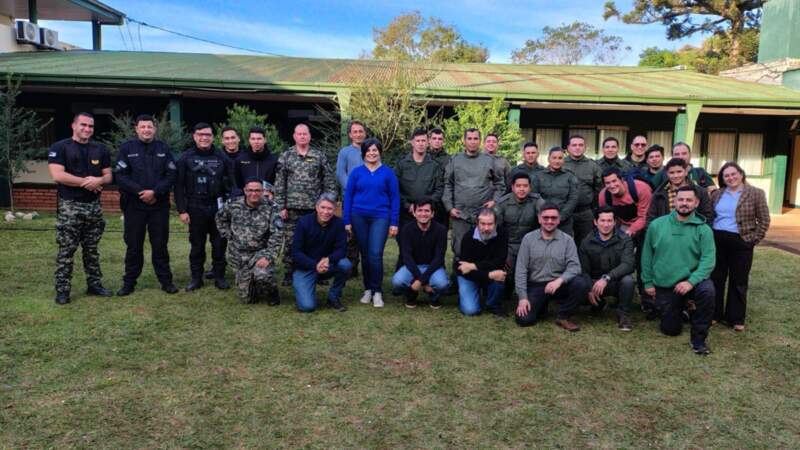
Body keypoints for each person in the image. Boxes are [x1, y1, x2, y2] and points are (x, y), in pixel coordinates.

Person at [641, 186, 716, 355]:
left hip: (691, 281)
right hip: (666, 282)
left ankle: (698, 340)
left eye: (689, 200)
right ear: (674, 201)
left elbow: (708, 261)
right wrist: (647, 282)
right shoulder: (656, 225)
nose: (684, 203)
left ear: (696, 203)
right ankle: (682, 309)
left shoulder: (704, 230)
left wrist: (691, 281)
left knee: (708, 291)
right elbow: (646, 256)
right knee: (670, 330)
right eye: (681, 199)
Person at [47, 112, 113, 304]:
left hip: (94, 207)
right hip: (70, 206)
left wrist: (99, 180)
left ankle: (94, 284)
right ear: (73, 126)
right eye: (83, 125)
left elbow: (108, 176)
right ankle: (62, 290)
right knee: (67, 250)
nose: (87, 129)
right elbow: (58, 175)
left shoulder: (100, 149)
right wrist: (87, 182)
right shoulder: (60, 147)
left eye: (91, 126)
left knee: (91, 249)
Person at [114, 114, 178, 296]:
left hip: (159, 205)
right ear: (136, 129)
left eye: (149, 127)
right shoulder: (127, 149)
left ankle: (166, 281)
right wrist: (140, 192)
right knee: (133, 245)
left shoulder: (163, 148)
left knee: (160, 245)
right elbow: (120, 175)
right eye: (142, 127)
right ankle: (129, 283)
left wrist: (155, 192)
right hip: (134, 205)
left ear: (154, 129)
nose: (146, 130)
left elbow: (171, 174)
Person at [710, 162, 771, 331]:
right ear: (722, 179)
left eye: (733, 174)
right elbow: (711, 216)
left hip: (741, 240)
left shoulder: (756, 193)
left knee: (739, 280)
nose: (730, 178)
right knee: (716, 278)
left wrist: (753, 240)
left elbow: (764, 219)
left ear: (741, 174)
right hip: (718, 239)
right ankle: (714, 314)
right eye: (726, 176)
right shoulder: (717, 194)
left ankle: (735, 318)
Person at [175, 122, 236, 292]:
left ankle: (219, 277)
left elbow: (232, 184)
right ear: (194, 136)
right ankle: (196, 278)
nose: (204, 138)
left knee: (219, 244)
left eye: (208, 135)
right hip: (195, 206)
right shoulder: (185, 158)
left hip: (218, 206)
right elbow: (178, 186)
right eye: (200, 134)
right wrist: (182, 210)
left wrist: (230, 207)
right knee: (197, 245)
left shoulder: (221, 157)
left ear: (212, 137)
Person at [275, 123, 337, 286]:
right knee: (290, 242)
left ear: (309, 136)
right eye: (299, 134)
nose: (302, 136)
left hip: (314, 209)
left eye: (305, 134)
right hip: (292, 209)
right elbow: (280, 183)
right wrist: (281, 206)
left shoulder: (319, 156)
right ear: (294, 136)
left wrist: (328, 203)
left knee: (316, 241)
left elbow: (329, 181)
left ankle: (319, 272)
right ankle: (289, 272)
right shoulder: (286, 156)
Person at [443, 128, 506, 286]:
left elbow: (500, 184)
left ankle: (484, 282)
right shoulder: (455, 159)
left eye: (475, 138)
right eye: (469, 138)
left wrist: (494, 201)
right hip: (461, 214)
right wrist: (449, 207)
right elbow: (447, 184)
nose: (472, 141)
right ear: (464, 141)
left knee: (485, 248)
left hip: (482, 215)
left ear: (480, 141)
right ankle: (457, 282)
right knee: (458, 248)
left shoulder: (488, 160)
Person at [343, 138, 400, 308]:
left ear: (380, 152)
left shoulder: (388, 173)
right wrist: (347, 220)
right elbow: (348, 197)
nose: (372, 153)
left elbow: (395, 198)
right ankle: (367, 289)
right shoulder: (356, 172)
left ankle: (377, 291)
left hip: (380, 217)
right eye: (368, 150)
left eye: (375, 150)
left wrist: (394, 222)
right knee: (365, 255)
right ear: (363, 153)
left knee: (375, 254)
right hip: (358, 216)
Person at [514, 203, 590, 330]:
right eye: (546, 217)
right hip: (536, 285)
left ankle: (563, 315)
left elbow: (575, 267)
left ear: (559, 219)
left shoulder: (567, 240)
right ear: (539, 219)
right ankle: (541, 306)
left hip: (559, 285)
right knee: (524, 320)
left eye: (553, 218)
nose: (549, 221)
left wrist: (559, 281)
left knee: (582, 283)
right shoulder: (528, 239)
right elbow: (521, 270)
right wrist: (522, 298)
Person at [215, 178, 283, 304]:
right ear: (245, 191)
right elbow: (220, 218)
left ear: (263, 191)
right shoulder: (233, 204)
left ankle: (272, 293)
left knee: (262, 275)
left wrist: (268, 256)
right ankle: (253, 284)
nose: (254, 193)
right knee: (247, 299)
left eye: (257, 190)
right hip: (238, 254)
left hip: (260, 252)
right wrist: (229, 235)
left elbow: (277, 235)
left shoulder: (272, 207)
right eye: (250, 190)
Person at [577, 207, 636, 331]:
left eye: (609, 221)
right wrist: (589, 288)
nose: (606, 224)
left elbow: (628, 264)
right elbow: (584, 270)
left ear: (615, 222)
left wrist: (607, 277)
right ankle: (598, 303)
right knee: (579, 284)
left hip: (615, 281)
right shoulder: (586, 242)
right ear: (595, 222)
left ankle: (623, 315)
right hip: (595, 283)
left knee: (628, 280)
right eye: (602, 221)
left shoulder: (625, 239)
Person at [292, 193, 352, 312]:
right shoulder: (304, 222)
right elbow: (296, 252)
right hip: (306, 266)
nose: (326, 212)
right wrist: (315, 265)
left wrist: (328, 259)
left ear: (334, 210)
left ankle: (333, 297)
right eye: (323, 207)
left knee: (345, 265)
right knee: (307, 307)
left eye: (330, 208)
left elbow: (341, 249)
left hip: (327, 263)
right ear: (316, 207)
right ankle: (306, 287)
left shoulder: (339, 224)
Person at [495, 172, 545, 307]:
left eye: (525, 186)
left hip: (530, 244)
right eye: (518, 186)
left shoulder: (537, 201)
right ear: (512, 187)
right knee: (506, 271)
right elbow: (496, 230)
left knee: (533, 271)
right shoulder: (503, 203)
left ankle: (532, 293)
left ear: (530, 187)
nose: (521, 189)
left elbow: (546, 217)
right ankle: (504, 293)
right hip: (508, 244)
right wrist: (502, 253)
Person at [391, 197, 449, 309]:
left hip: (433, 266)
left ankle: (434, 296)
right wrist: (422, 280)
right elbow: (406, 257)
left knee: (442, 284)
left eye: (427, 211)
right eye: (420, 210)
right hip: (412, 265)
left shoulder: (441, 230)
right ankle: (411, 295)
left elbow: (439, 258)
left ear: (432, 214)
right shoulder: (407, 229)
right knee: (397, 281)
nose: (423, 214)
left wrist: (421, 280)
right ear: (414, 213)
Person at [456, 208, 508, 316]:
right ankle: (465, 295)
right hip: (469, 276)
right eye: (483, 224)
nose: (486, 228)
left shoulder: (502, 234)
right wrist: (488, 274)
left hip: (487, 271)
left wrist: (474, 265)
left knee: (500, 275)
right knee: (470, 311)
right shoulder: (468, 238)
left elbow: (499, 262)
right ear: (477, 223)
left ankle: (493, 304)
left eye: (490, 224)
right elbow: (464, 270)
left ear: (496, 223)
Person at [394, 129, 444, 232]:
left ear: (428, 142)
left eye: (423, 141)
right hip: (406, 214)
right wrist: (407, 205)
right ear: (412, 142)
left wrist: (426, 206)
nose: (421, 144)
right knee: (405, 246)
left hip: (427, 215)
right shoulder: (402, 165)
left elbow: (439, 189)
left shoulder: (435, 166)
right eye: (418, 141)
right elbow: (395, 189)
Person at [335, 120, 366, 278]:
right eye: (355, 131)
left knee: (365, 234)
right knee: (351, 233)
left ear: (365, 133)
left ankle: (367, 266)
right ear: (350, 135)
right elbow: (340, 174)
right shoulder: (345, 152)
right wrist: (353, 188)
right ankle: (351, 267)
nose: (358, 134)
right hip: (351, 198)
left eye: (360, 131)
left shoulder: (371, 150)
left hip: (368, 199)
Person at [647, 157, 713, 225]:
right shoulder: (659, 193)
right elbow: (651, 218)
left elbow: (707, 216)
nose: (675, 176)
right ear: (667, 174)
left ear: (686, 172)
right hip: (666, 233)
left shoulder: (701, 192)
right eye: (672, 172)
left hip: (693, 232)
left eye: (679, 172)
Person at [562, 135, 602, 243]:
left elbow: (599, 190)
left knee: (586, 244)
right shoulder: (560, 164)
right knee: (564, 243)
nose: (577, 148)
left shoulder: (593, 166)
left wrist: (594, 210)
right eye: (574, 145)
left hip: (585, 213)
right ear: (568, 148)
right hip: (565, 213)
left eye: (581, 145)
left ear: (585, 148)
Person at [532, 146, 579, 236]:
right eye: (554, 158)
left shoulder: (570, 176)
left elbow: (573, 199)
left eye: (560, 158)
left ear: (563, 160)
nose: (557, 161)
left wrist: (560, 217)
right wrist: (545, 216)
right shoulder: (538, 176)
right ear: (548, 159)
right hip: (544, 220)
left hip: (564, 221)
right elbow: (534, 197)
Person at [598, 167, 653, 238]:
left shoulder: (642, 189)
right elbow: (606, 217)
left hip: (645, 222)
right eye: (607, 183)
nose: (612, 186)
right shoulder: (603, 196)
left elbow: (644, 217)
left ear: (622, 180)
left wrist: (630, 231)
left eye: (614, 181)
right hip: (623, 224)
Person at [650, 142, 716, 192]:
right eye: (677, 154)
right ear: (672, 156)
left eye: (684, 153)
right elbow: (648, 189)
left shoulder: (700, 172)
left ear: (690, 155)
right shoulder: (664, 172)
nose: (680, 157)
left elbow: (713, 190)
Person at [232, 127, 278, 196]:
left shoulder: (274, 160)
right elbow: (237, 184)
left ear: (265, 140)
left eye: (259, 139)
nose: (256, 142)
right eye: (253, 139)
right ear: (249, 140)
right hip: (246, 202)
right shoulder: (240, 160)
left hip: (267, 201)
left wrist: (272, 193)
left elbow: (279, 183)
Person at [427, 127, 451, 227]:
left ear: (443, 141)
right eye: (434, 138)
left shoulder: (449, 159)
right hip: (425, 202)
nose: (437, 141)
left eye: (440, 139)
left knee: (441, 235)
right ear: (429, 140)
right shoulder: (423, 157)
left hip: (442, 204)